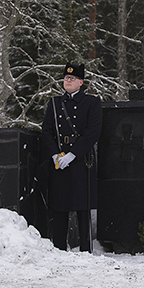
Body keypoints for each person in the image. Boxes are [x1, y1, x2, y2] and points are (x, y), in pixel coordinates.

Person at [41, 63, 102, 252]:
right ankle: (59, 249)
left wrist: (73, 154)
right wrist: (54, 154)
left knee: (83, 207)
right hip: (60, 160)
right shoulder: (54, 103)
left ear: (80, 82)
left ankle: (85, 250)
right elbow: (47, 131)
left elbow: (93, 132)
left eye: (72, 78)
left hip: (82, 160)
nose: (68, 81)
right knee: (60, 206)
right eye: (66, 78)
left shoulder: (91, 102)